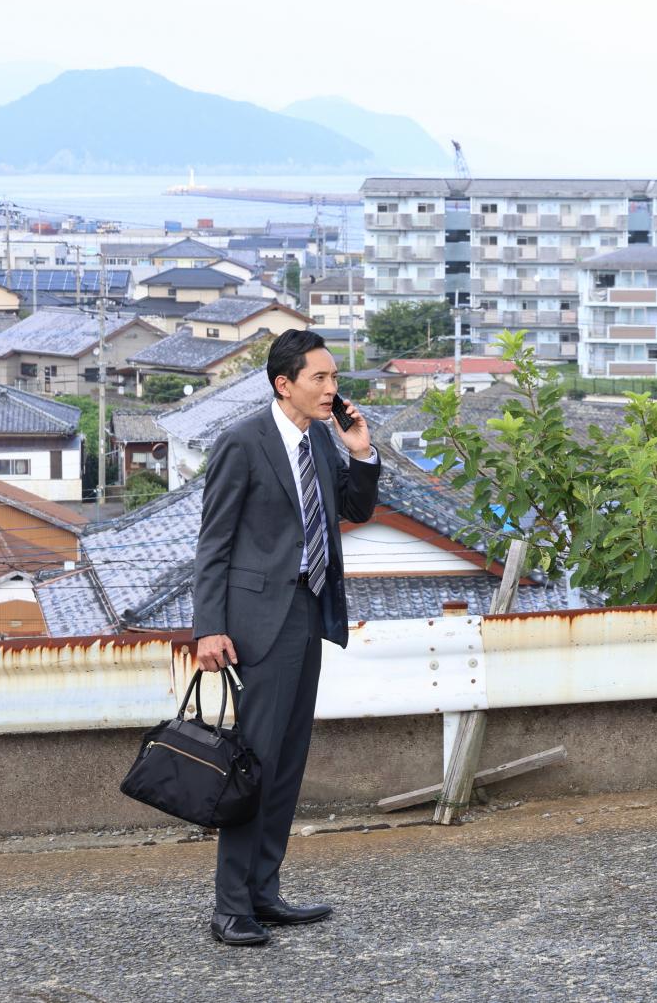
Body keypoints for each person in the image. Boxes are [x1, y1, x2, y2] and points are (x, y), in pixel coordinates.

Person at [192, 329, 380, 947]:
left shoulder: (323, 440)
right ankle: (229, 907)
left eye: (333, 378)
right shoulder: (242, 443)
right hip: (255, 624)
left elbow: (355, 509)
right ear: (285, 384)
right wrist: (209, 628)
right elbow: (213, 543)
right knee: (253, 765)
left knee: (287, 764)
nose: (332, 388)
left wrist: (360, 452)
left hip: (309, 611)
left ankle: (263, 892)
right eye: (319, 378)